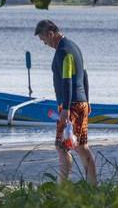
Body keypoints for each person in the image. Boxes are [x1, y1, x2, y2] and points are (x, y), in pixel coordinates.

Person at [34, 19, 97, 185]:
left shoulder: (63, 51)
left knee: (61, 146)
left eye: (43, 39)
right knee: (81, 146)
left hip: (71, 105)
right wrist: (87, 100)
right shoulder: (73, 47)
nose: (45, 43)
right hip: (81, 102)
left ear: (50, 34)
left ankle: (62, 187)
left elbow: (67, 81)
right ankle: (93, 185)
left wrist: (66, 108)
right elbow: (85, 75)